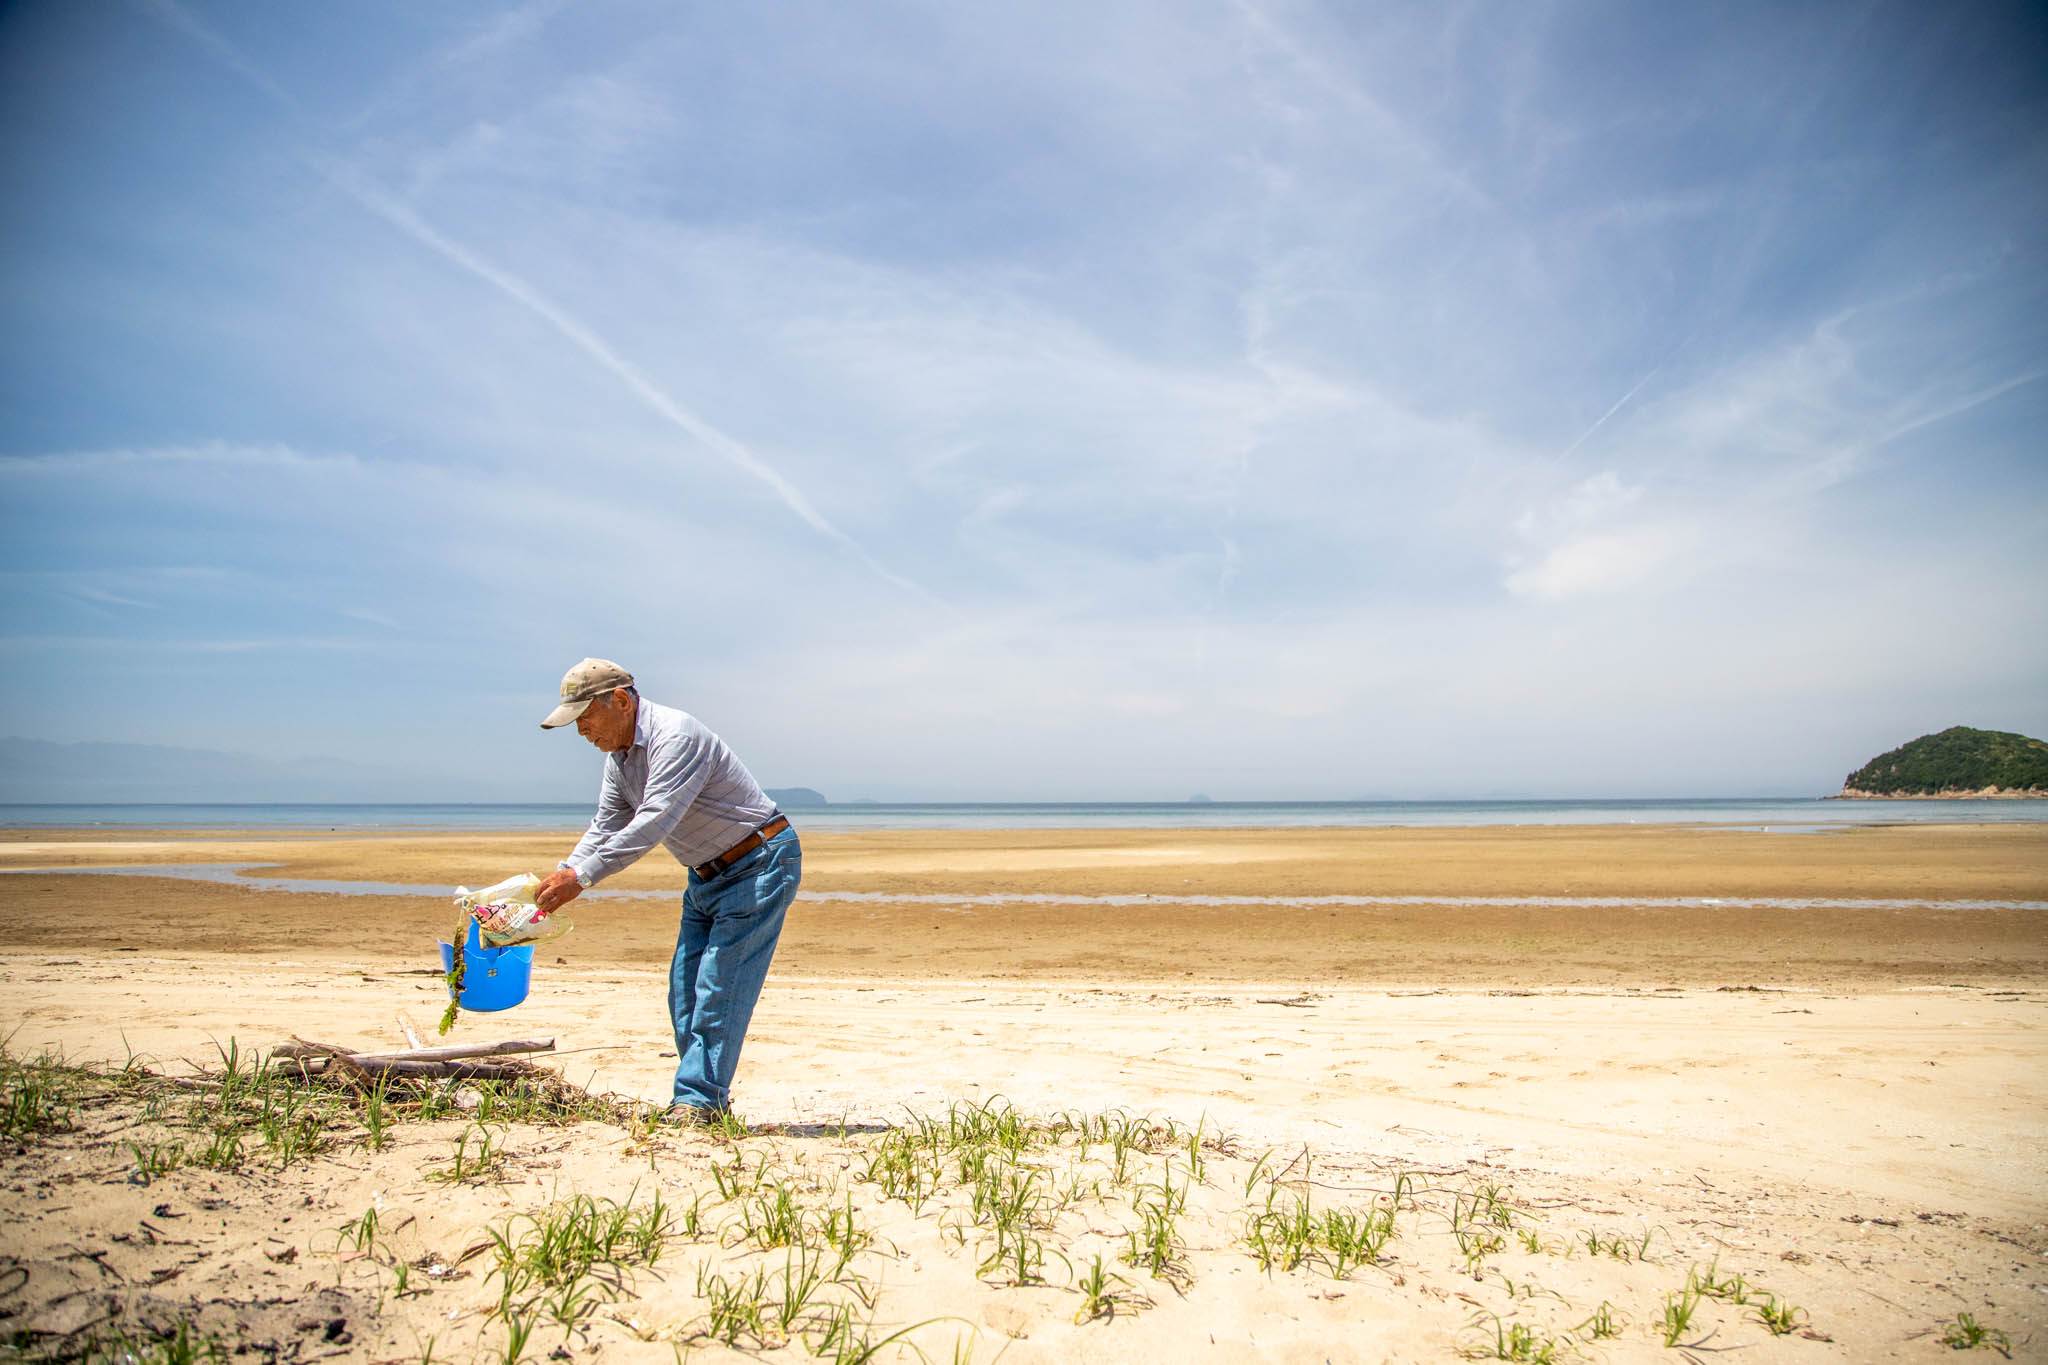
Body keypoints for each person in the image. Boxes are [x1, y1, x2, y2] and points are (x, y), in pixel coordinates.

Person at [533, 658, 801, 1125]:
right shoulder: (619, 760)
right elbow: (607, 825)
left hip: (758, 862)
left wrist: (583, 879)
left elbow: (652, 822)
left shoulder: (676, 736)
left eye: (584, 719)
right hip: (705, 876)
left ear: (620, 701)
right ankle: (704, 1100)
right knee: (684, 993)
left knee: (719, 988)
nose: (581, 732)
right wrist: (565, 872)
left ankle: (698, 1102)